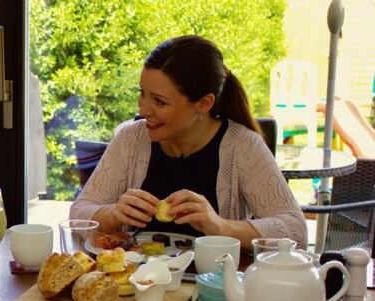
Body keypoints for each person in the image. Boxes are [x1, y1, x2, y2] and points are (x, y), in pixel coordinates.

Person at [70, 35, 307, 251]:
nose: (143, 109)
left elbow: (295, 231)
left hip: (211, 288)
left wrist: (220, 227)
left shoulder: (243, 146)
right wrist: (113, 214)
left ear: (204, 103)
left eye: (160, 102)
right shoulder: (131, 138)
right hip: (136, 286)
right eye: (142, 93)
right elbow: (78, 214)